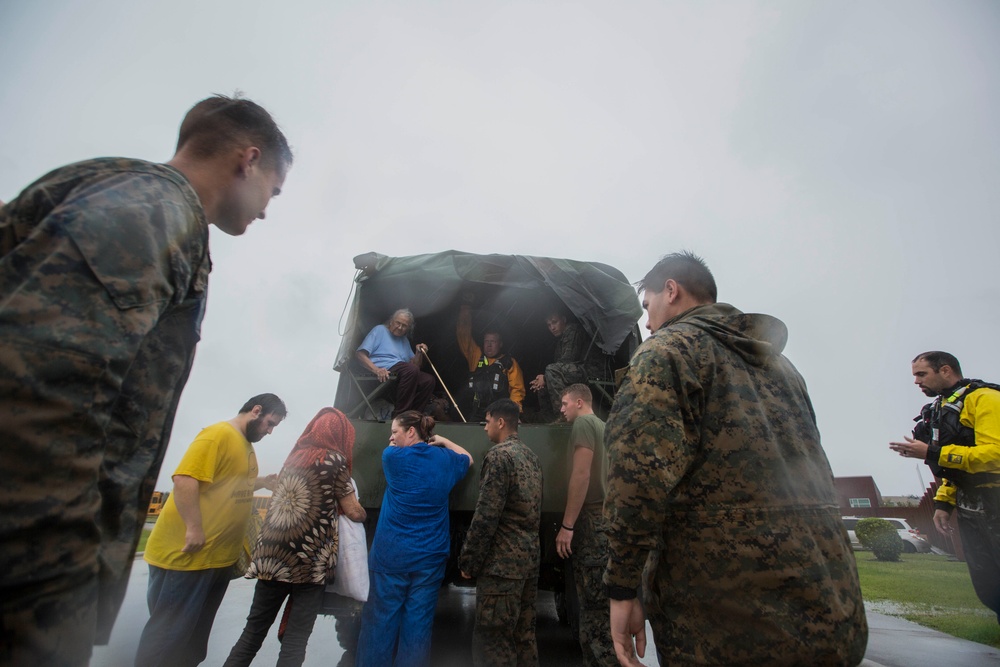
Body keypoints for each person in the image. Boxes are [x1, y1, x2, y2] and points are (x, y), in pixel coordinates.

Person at [0, 94, 292, 665]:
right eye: (273, 192)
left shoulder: (119, 190)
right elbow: (40, 396)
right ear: (248, 160)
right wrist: (47, 594)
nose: (265, 210)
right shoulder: (151, 214)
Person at [603, 252, 867, 667]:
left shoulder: (667, 353)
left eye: (648, 305)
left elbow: (636, 482)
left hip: (725, 621)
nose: (648, 322)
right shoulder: (782, 367)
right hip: (830, 606)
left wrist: (621, 587)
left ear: (671, 290)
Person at [135, 394, 286, 667]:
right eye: (270, 423)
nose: (270, 431)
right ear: (256, 410)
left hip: (215, 560)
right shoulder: (217, 435)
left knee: (191, 644)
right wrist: (193, 528)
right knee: (166, 641)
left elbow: (229, 485)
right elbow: (185, 479)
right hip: (188, 558)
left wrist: (262, 481)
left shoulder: (246, 445)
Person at [224, 407, 366, 667]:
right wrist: (362, 513)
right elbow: (352, 510)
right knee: (296, 639)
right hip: (308, 565)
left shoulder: (293, 458)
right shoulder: (335, 461)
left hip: (271, 559)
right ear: (341, 434)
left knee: (252, 633)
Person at [889, 351, 1000, 621]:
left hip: (995, 498)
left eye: (922, 374)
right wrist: (943, 503)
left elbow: (995, 454)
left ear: (946, 370)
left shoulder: (985, 399)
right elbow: (955, 467)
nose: (916, 381)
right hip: (971, 504)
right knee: (988, 584)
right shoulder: (940, 408)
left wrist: (932, 453)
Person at [357, 410, 473, 667]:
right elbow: (468, 457)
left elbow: (392, 448)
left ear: (411, 431)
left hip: (391, 557)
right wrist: (442, 440)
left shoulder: (392, 457)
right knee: (418, 626)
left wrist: (393, 444)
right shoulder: (444, 459)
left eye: (395, 432)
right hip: (430, 559)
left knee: (380, 622)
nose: (391, 437)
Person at [459, 398, 543, 667]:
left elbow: (486, 516)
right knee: (524, 636)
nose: (485, 428)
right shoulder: (531, 457)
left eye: (487, 421)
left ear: (501, 422)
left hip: (501, 566)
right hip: (528, 562)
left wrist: (469, 560)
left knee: (493, 640)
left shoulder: (498, 457)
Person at [554, 384, 616, 666]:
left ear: (580, 402)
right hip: (604, 519)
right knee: (603, 607)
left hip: (589, 523)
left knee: (592, 612)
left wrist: (567, 526)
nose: (562, 409)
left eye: (565, 403)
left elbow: (581, 474)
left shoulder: (583, 425)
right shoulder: (604, 426)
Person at [456, 294, 526, 420]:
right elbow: (463, 334)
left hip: (498, 413)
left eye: (492, 342)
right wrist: (465, 307)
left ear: (500, 344)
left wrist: (514, 412)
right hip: (476, 411)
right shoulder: (476, 356)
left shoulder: (509, 363)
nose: (488, 345)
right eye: (486, 341)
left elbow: (517, 390)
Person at [356, 308, 436, 416]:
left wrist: (419, 353)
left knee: (428, 380)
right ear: (391, 321)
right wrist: (377, 369)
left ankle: (413, 415)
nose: (400, 327)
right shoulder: (380, 330)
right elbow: (360, 354)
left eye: (404, 326)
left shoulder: (404, 340)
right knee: (410, 370)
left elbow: (415, 367)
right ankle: (400, 415)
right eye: (398, 323)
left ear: (408, 328)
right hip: (384, 369)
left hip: (402, 372)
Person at [529, 311, 594, 416]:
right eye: (549, 325)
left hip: (587, 370)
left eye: (554, 322)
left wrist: (545, 377)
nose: (552, 327)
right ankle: (549, 419)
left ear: (563, 319)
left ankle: (563, 415)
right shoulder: (560, 339)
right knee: (540, 385)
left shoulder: (572, 330)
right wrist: (542, 380)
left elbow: (568, 359)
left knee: (550, 371)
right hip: (573, 371)